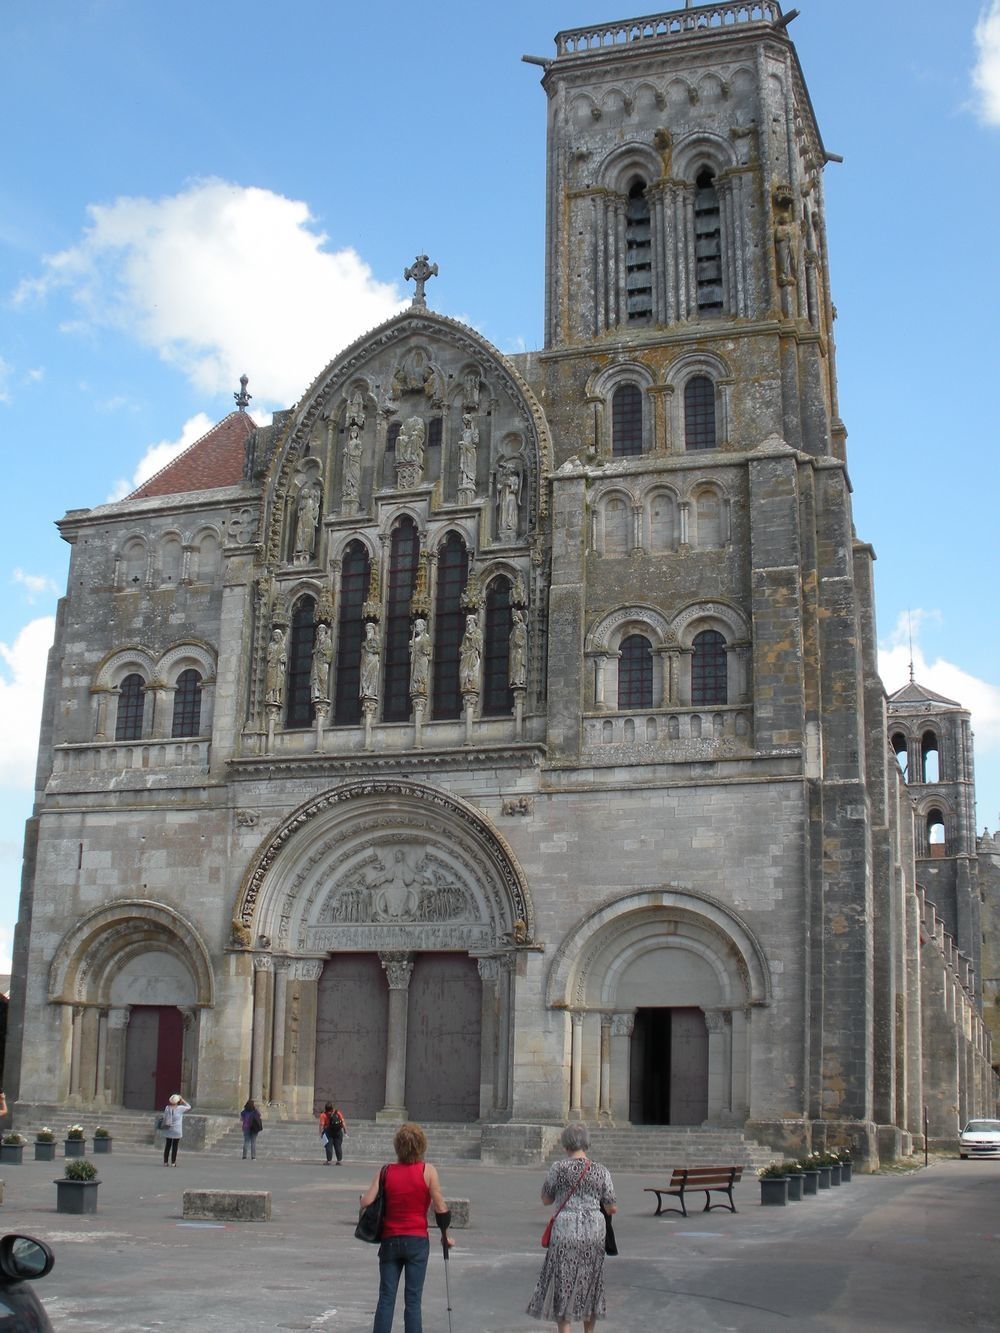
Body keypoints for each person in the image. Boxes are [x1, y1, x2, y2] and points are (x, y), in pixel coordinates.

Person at [360, 1122, 453, 1333]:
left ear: (397, 1146)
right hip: (417, 1241)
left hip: (390, 1239)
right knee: (413, 1300)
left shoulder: (385, 1171)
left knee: (386, 1297)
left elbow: (366, 1201)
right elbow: (440, 1207)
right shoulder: (427, 1171)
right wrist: (445, 1236)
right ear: (421, 1146)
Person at [527, 1122, 617, 1333]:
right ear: (586, 1143)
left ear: (565, 1143)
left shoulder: (558, 1168)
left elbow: (546, 1199)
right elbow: (612, 1206)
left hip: (565, 1229)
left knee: (564, 1283)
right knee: (591, 1282)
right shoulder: (601, 1171)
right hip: (594, 1231)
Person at [161, 1093, 191, 1167]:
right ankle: (173, 1162)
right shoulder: (180, 1108)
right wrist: (182, 1099)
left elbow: (165, 1116)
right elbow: (189, 1106)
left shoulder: (167, 1108)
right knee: (175, 1146)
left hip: (168, 1128)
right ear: (178, 1101)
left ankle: (165, 1162)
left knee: (167, 1145)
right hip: (177, 1129)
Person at [319, 1101, 347, 1165]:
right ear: (332, 1108)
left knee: (328, 1146)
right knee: (338, 1146)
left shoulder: (323, 1115)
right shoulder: (337, 1113)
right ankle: (339, 1161)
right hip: (338, 1131)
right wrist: (345, 1131)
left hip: (328, 1131)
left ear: (325, 1108)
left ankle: (329, 1161)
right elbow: (343, 1122)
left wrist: (321, 1133)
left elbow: (321, 1125)